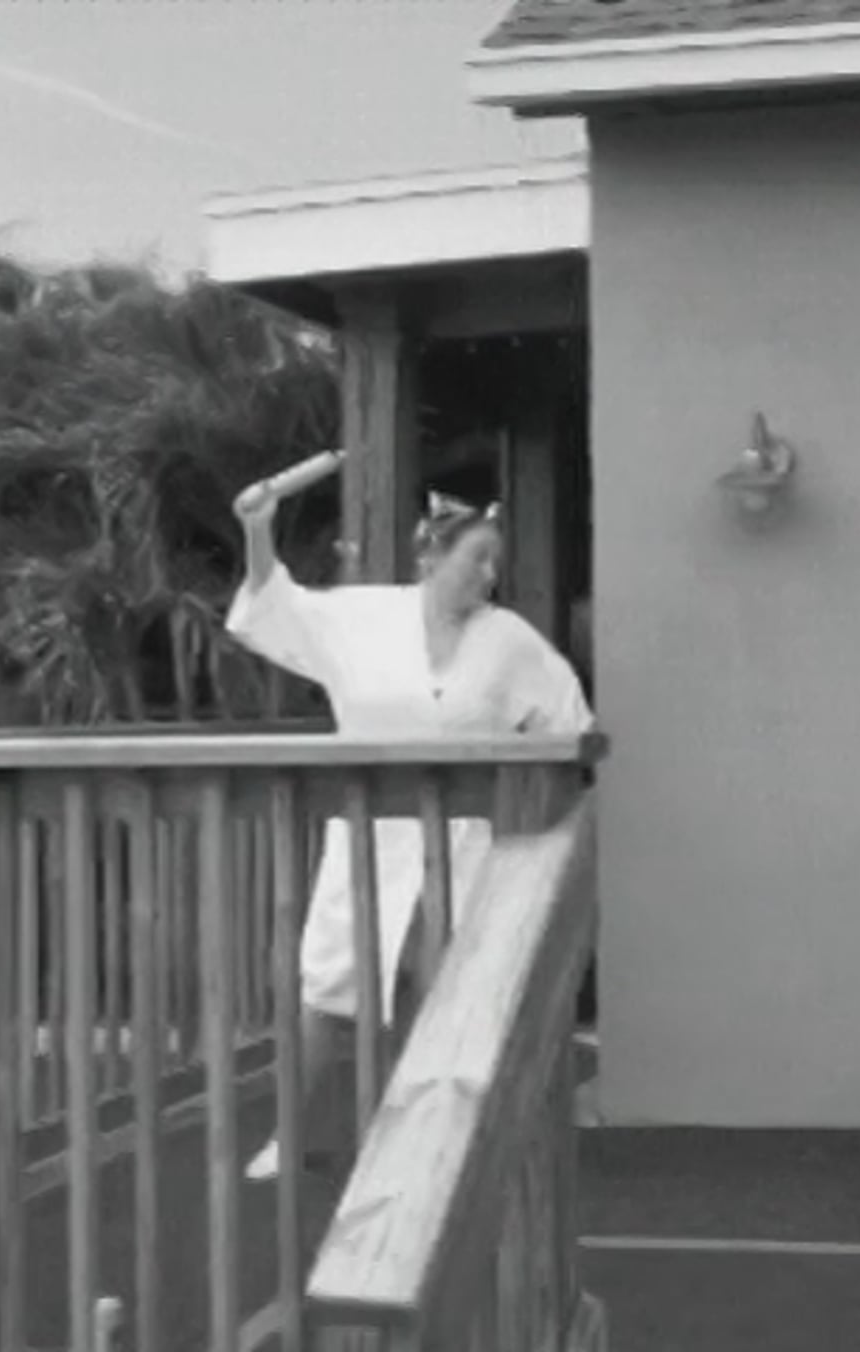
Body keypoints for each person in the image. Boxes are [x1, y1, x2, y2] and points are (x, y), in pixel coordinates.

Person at [227, 480, 594, 1181]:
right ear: (431, 557)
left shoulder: (507, 639)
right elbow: (275, 607)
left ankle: (430, 1135)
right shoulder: (363, 617)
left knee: (443, 981)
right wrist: (257, 531)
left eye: (495, 563)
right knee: (328, 983)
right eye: (477, 558)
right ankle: (288, 1133)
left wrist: (547, 806)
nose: (489, 575)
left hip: (460, 835)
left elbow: (569, 724)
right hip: (367, 830)